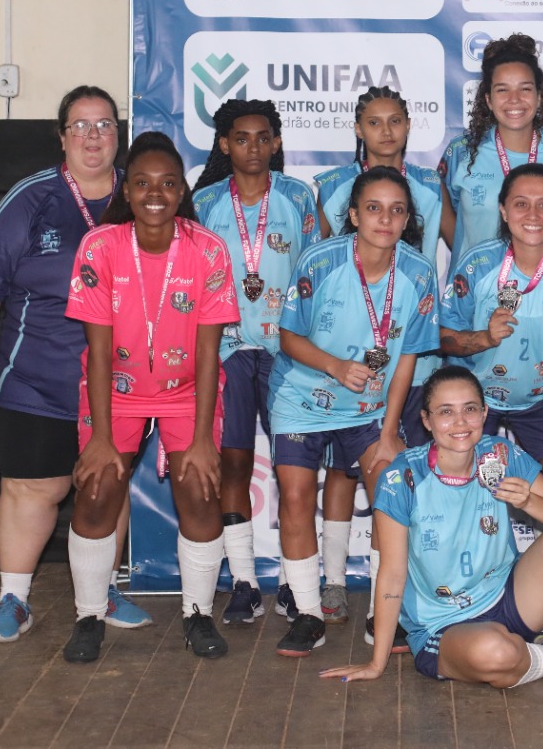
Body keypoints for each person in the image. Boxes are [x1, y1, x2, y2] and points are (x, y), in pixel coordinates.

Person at [320, 366, 543, 708]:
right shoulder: (402, 478)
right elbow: (392, 576)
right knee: (497, 655)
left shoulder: (499, 453)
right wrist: (376, 662)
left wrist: (530, 500)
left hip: (511, 599)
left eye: (470, 409)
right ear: (427, 421)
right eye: (445, 412)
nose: (459, 422)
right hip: (444, 626)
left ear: (484, 413)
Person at [0, 85, 152, 643]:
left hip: (120, 380)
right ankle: (14, 600)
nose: (93, 137)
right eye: (81, 126)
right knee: (32, 488)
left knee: (106, 486)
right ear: (62, 136)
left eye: (105, 125)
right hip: (38, 375)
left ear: (120, 135)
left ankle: (102, 590)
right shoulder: (31, 199)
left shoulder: (141, 195)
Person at [62, 132, 240, 663]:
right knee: (95, 492)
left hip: (188, 391)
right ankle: (89, 615)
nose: (154, 193)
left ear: (182, 190)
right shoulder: (101, 247)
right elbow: (95, 351)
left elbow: (210, 353)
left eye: (167, 183)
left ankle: (198, 614)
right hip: (116, 392)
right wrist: (97, 437)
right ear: (128, 190)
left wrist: (206, 437)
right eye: (142, 183)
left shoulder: (208, 250)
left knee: (201, 491)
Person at [264, 166, 439, 658]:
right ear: (354, 214)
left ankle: (383, 613)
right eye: (374, 208)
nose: (385, 219)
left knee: (390, 494)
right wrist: (337, 367)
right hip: (301, 398)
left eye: (397, 210)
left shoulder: (420, 273)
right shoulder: (319, 261)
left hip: (369, 409)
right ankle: (307, 613)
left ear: (408, 220)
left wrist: (388, 432)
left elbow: (407, 359)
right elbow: (289, 337)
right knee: (296, 498)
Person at [440, 163, 543, 636]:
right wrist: (480, 338)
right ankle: (461, 597)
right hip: (478, 400)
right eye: (521, 204)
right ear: (502, 211)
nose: (533, 214)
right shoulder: (476, 265)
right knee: (460, 494)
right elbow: (441, 338)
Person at [310, 87, 448, 627]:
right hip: (347, 358)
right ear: (358, 128)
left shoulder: (432, 188)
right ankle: (334, 582)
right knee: (343, 471)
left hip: (409, 351)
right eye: (374, 122)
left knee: (396, 472)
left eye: (395, 121)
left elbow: (451, 250)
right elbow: (316, 266)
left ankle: (392, 596)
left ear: (409, 126)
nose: (386, 132)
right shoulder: (330, 188)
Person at [191, 99, 321, 626]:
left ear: (277, 143)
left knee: (295, 468)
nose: (253, 147)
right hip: (223, 351)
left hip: (284, 350)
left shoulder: (297, 198)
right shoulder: (202, 204)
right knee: (235, 462)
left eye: (263, 137)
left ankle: (293, 584)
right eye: (240, 138)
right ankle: (243, 580)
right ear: (224, 144)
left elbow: (314, 276)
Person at [441, 34, 543, 263]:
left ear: (538, 97)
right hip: (475, 290)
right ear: (488, 99)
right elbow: (446, 217)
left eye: (525, 89)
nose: (514, 100)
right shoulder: (461, 151)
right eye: (502, 90)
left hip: (542, 291)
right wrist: (469, 261)